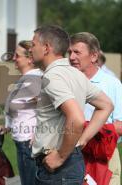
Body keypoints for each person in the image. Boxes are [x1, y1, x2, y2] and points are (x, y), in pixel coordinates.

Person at [30, 25, 113, 185]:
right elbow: (106, 105)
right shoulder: (75, 73)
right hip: (68, 164)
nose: (30, 49)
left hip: (58, 169)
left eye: (33, 45)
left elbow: (76, 117)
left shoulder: (53, 76)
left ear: (46, 48)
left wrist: (60, 156)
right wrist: (82, 140)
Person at [69, 32, 122, 185]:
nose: (71, 57)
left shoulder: (112, 84)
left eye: (77, 52)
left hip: (103, 158)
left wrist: (86, 132)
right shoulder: (65, 83)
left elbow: (120, 125)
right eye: (70, 52)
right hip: (69, 156)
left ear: (93, 56)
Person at [0, 40, 42, 185]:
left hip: (28, 144)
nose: (14, 58)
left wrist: (39, 132)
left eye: (17, 55)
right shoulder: (25, 79)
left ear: (30, 59)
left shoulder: (33, 79)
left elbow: (49, 107)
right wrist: (7, 127)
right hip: (21, 142)